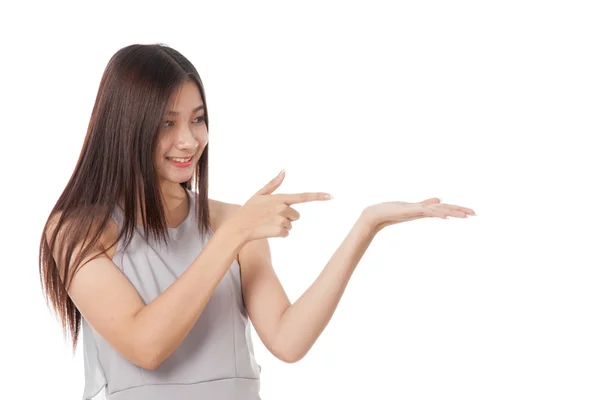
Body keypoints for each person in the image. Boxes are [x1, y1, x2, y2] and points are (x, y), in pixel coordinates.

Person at [38, 43, 476, 400]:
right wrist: (232, 235)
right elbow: (146, 346)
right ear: (126, 127)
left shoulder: (232, 222)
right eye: (166, 123)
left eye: (198, 119)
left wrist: (366, 227)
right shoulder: (77, 231)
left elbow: (287, 340)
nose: (188, 140)